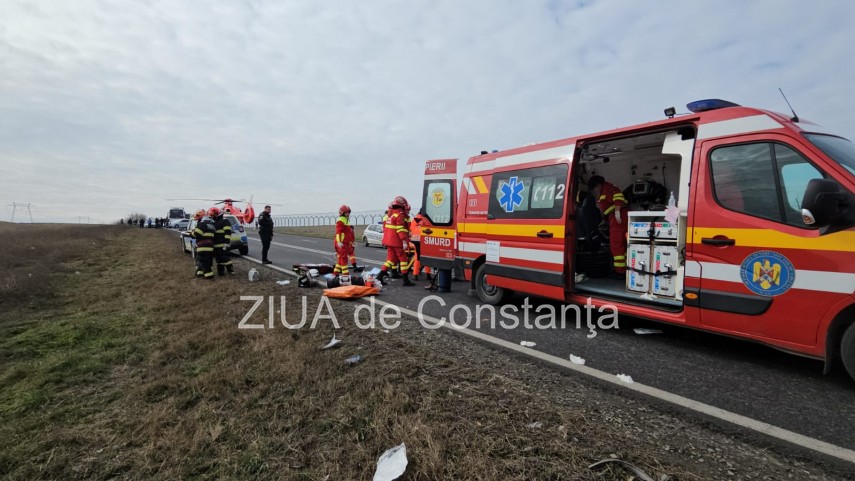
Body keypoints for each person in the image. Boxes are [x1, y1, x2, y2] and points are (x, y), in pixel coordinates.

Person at [588, 175, 628, 276]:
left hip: (618, 218)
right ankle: (624, 269)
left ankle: (620, 272)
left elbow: (618, 199)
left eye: (595, 188)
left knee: (616, 244)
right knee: (621, 245)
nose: (595, 190)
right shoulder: (604, 191)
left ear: (598, 184)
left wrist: (617, 213)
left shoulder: (609, 188)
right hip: (613, 218)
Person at [377, 196, 415, 286]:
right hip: (396, 242)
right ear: (402, 206)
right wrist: (404, 241)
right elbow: (400, 229)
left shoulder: (391, 215)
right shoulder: (399, 215)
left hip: (389, 242)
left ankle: (380, 276)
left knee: (390, 260)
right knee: (403, 259)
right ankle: (405, 280)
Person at [333, 204, 358, 276]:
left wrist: (352, 242)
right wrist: (339, 242)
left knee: (340, 259)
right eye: (346, 212)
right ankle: (345, 275)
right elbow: (338, 232)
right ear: (342, 213)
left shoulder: (346, 220)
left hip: (345, 243)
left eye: (348, 212)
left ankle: (335, 273)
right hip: (342, 243)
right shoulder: (341, 221)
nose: (348, 214)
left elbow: (348, 233)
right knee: (344, 259)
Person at [209, 207, 235, 276]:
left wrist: (226, 243)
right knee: (219, 260)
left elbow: (228, 232)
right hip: (216, 245)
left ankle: (231, 271)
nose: (212, 217)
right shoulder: (214, 222)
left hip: (223, 244)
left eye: (213, 215)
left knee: (225, 258)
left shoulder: (224, 221)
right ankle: (221, 273)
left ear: (217, 214)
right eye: (211, 216)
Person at [191, 209, 216, 279]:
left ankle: (209, 276)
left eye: (198, 217)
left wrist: (191, 233)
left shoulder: (202, 224)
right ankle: (200, 274)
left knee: (203, 262)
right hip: (209, 247)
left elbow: (196, 234)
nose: (197, 220)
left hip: (202, 247)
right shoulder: (211, 224)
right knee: (202, 261)